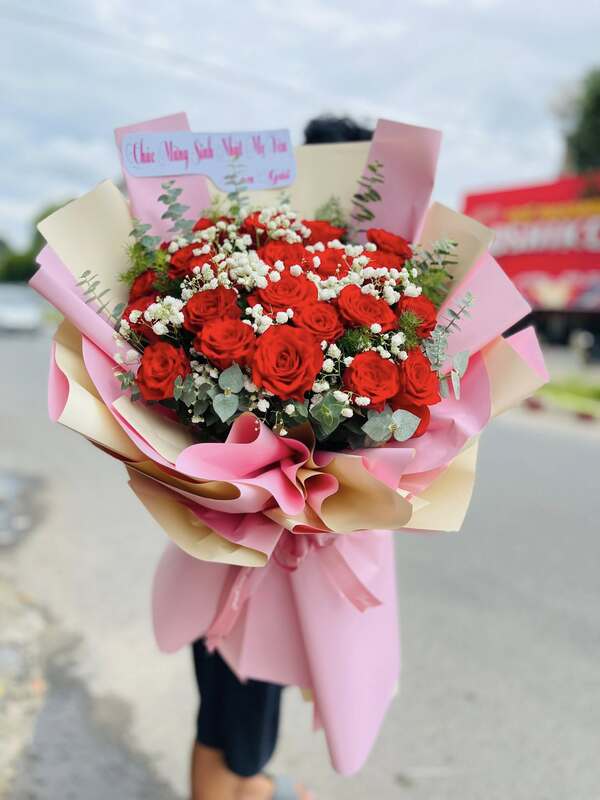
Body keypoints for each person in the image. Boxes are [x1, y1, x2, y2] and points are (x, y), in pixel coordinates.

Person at [189, 115, 373, 800]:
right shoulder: (270, 270)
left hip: (244, 548)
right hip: (251, 554)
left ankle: (260, 785)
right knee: (237, 729)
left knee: (231, 718)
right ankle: (258, 787)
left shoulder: (342, 280)